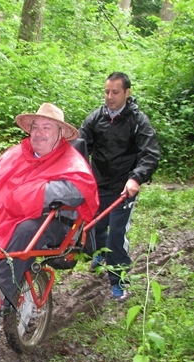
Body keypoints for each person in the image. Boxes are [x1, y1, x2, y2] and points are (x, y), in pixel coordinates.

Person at [0, 103, 99, 311]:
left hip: (52, 220)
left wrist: (36, 192)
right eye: (35, 127)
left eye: (46, 127)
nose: (39, 133)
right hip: (8, 215)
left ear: (60, 133)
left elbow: (79, 190)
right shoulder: (16, 154)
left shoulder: (69, 159)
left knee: (25, 229)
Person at [79, 72, 160, 301]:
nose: (110, 97)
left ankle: (118, 279)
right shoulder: (95, 118)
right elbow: (80, 147)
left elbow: (150, 153)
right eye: (107, 92)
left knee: (116, 234)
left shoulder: (137, 121)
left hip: (124, 188)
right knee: (93, 227)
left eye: (115, 92)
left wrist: (136, 178)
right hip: (98, 184)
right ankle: (100, 253)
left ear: (127, 93)